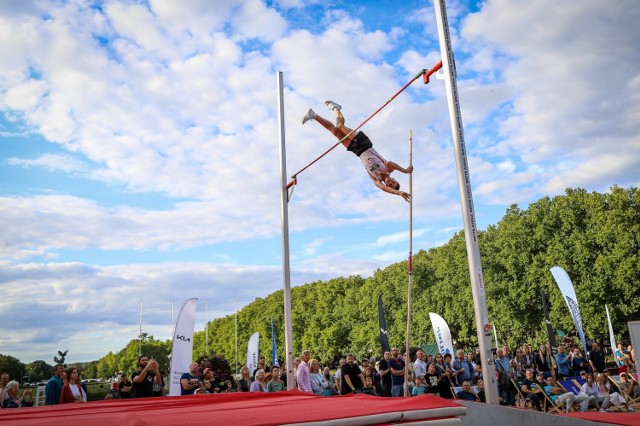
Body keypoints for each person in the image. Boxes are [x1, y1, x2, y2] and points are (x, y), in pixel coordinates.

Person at [302, 101, 413, 201]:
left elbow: (383, 188)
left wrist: (398, 193)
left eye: (390, 185)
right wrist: (404, 170)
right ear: (394, 179)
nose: (390, 183)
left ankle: (320, 114)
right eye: (393, 182)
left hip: (357, 151)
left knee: (335, 131)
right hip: (364, 143)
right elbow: (390, 163)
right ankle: (330, 110)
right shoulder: (389, 169)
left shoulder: (376, 179)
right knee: (340, 126)